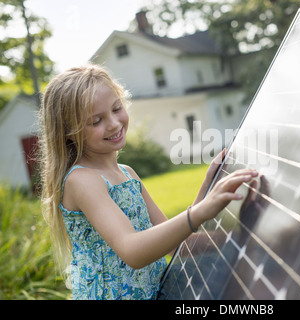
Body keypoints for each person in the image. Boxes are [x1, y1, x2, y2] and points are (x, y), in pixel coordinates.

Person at [37, 64, 258, 300]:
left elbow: (177, 245)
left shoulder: (128, 174)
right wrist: (198, 213)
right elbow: (132, 251)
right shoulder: (81, 180)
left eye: (116, 108)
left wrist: (211, 194)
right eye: (96, 120)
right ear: (70, 132)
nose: (113, 123)